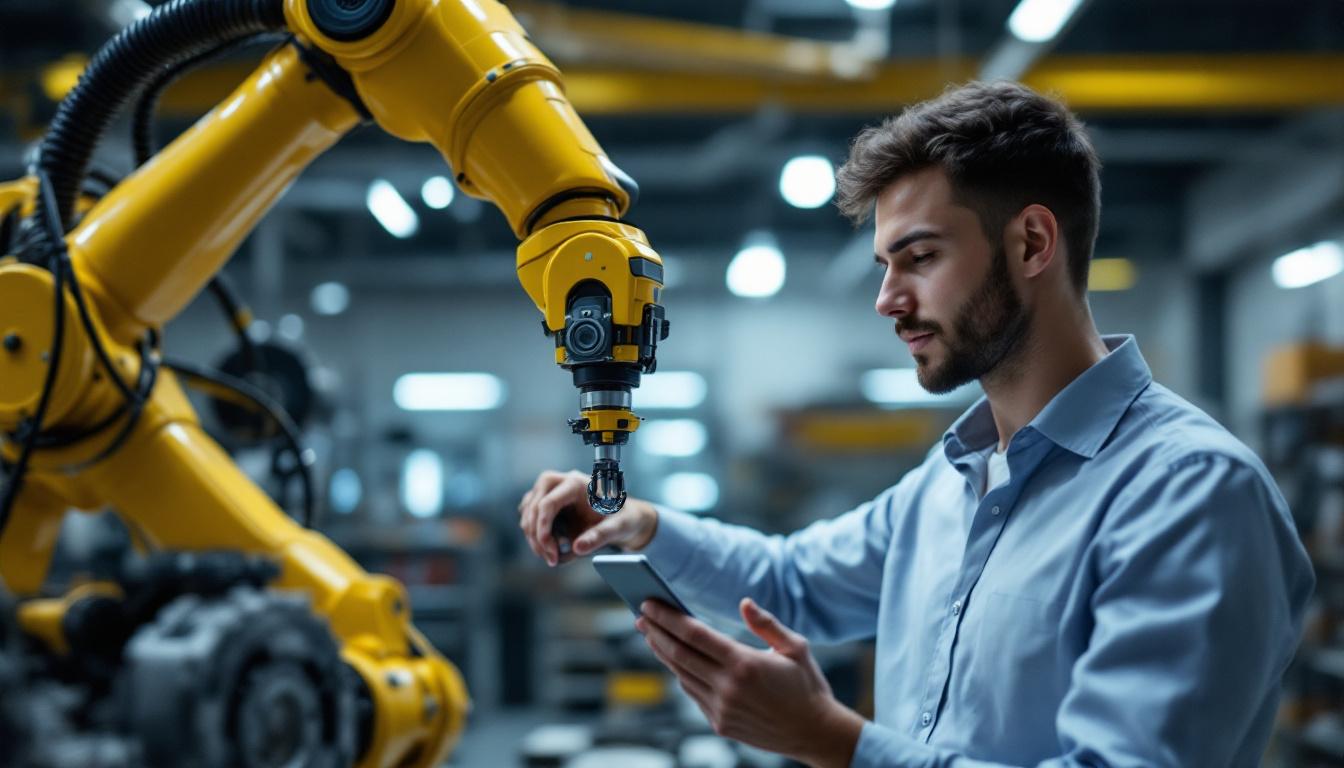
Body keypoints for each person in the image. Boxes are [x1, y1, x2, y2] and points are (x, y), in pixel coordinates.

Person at [516, 80, 1314, 767]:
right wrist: (640, 525)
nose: (887, 299)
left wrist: (837, 742)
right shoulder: (956, 477)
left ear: (1032, 242)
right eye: (885, 264)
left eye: (920, 257)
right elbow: (793, 582)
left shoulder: (1191, 494)